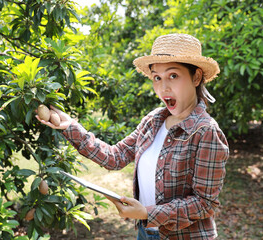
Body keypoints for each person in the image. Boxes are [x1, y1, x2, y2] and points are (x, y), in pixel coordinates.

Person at [36, 33, 229, 240]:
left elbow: (204, 204)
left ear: (196, 77)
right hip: (146, 232)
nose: (163, 87)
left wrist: (148, 213)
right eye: (157, 77)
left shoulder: (206, 131)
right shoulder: (153, 121)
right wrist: (70, 126)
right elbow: (115, 156)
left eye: (173, 75)